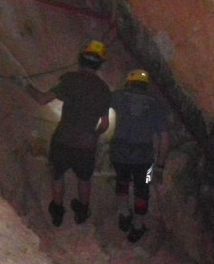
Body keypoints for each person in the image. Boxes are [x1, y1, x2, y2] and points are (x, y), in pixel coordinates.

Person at [15, 40, 112, 227]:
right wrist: (94, 135)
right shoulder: (104, 90)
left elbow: (42, 99)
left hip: (63, 140)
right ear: (100, 64)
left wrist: (24, 84)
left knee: (57, 176)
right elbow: (105, 124)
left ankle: (57, 213)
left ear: (81, 59)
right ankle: (82, 212)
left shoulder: (70, 80)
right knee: (84, 179)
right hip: (86, 144)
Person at [109, 69, 169, 243]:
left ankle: (124, 213)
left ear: (129, 82)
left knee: (122, 181)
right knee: (143, 189)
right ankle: (137, 226)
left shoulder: (118, 96)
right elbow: (164, 137)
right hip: (145, 158)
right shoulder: (156, 104)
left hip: (119, 154)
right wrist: (160, 166)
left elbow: (99, 105)